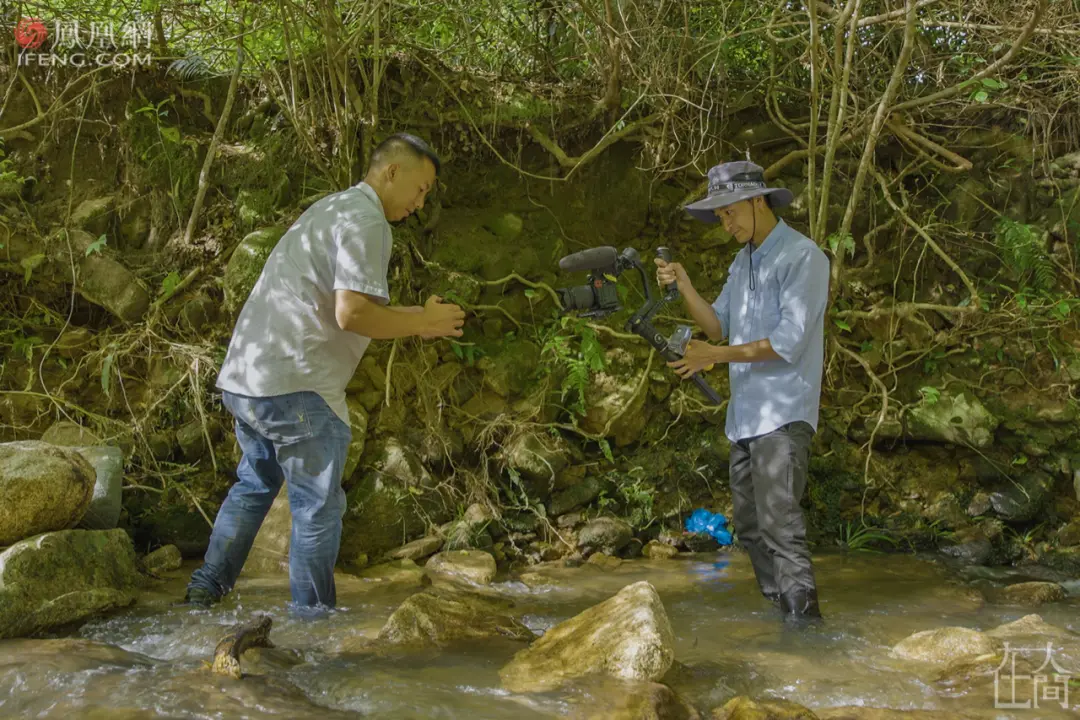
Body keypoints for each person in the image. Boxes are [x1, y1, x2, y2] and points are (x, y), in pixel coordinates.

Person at [185, 133, 465, 610]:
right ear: (392, 172)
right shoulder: (368, 222)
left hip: (248, 379)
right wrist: (424, 322)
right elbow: (352, 314)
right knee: (318, 509)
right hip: (296, 386)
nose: (421, 202)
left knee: (254, 485)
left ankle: (204, 591)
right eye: (421, 188)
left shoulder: (333, 209)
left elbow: (340, 304)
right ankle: (312, 630)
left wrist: (421, 315)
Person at [656, 160, 830, 621]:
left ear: (758, 200)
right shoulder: (743, 260)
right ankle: (785, 618)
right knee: (751, 531)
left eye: (730, 211)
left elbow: (787, 343)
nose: (726, 223)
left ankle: (807, 631)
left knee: (780, 527)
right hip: (745, 421)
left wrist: (711, 357)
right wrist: (686, 283)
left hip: (784, 416)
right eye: (719, 216)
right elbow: (718, 326)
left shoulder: (804, 257)